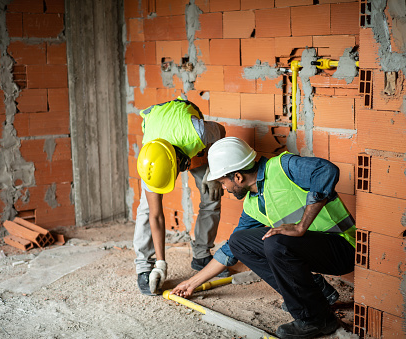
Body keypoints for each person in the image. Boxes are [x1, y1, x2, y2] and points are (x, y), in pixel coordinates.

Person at [171, 137, 356, 339]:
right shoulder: (252, 204)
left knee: (275, 242)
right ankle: (315, 291)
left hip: (344, 248)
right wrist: (192, 282)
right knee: (238, 241)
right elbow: (230, 250)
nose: (224, 188)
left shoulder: (283, 167)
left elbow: (326, 170)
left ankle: (315, 319)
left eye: (223, 182)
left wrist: (302, 226)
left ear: (238, 177)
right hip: (316, 251)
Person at [134, 97, 227, 296]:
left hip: (187, 135)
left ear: (179, 162)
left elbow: (221, 131)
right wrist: (161, 264)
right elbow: (157, 216)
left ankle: (201, 256)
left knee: (212, 192)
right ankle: (145, 266)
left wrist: (213, 172)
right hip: (159, 139)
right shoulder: (149, 160)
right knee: (147, 208)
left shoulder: (196, 133)